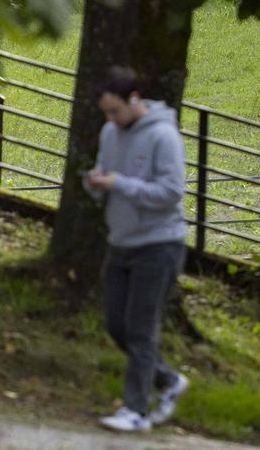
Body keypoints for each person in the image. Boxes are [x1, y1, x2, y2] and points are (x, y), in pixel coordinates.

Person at [84, 66, 190, 432]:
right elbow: (107, 176)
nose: (111, 118)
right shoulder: (109, 132)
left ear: (135, 99)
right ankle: (169, 381)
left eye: (115, 110)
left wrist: (120, 184)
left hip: (160, 244)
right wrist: (97, 183)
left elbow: (172, 193)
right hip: (122, 243)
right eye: (106, 112)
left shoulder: (163, 135)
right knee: (116, 324)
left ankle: (136, 411)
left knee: (141, 328)